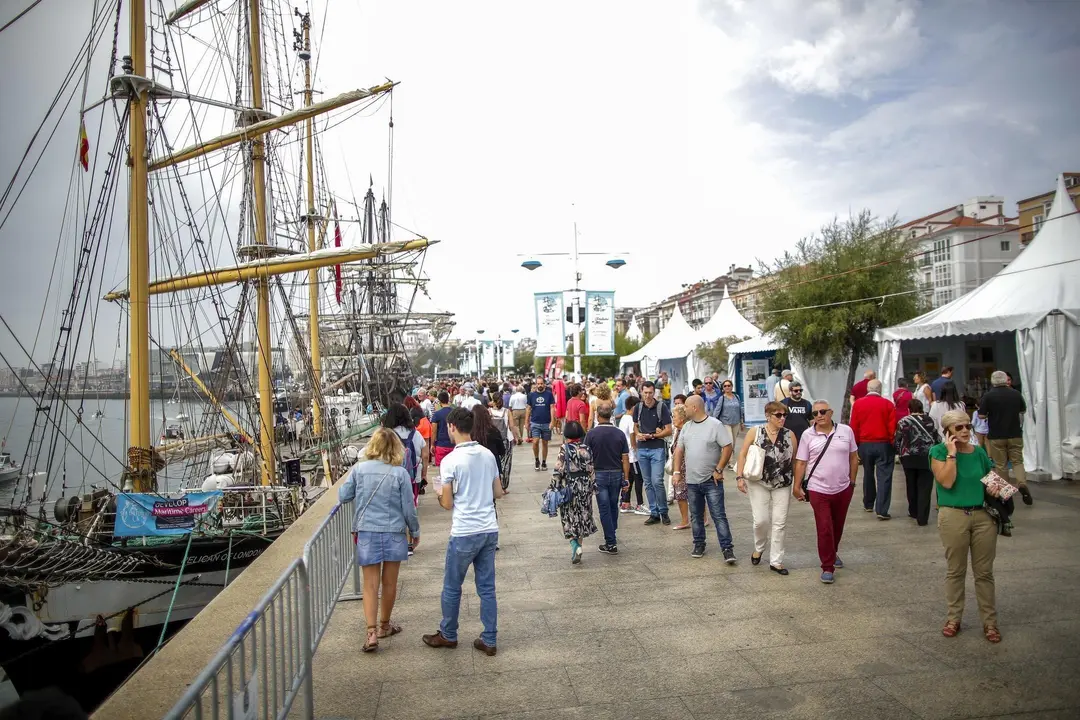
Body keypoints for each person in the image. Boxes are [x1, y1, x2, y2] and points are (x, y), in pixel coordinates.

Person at [424, 408, 504, 656]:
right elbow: (498, 492)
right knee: (487, 588)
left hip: (464, 531)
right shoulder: (487, 455)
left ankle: (448, 634)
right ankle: (489, 638)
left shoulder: (450, 461)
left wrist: (440, 495)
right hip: (488, 528)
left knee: (452, 586)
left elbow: (447, 503)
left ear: (451, 427)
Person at [339, 427, 420, 652]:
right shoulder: (400, 473)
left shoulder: (359, 469)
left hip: (367, 531)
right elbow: (408, 508)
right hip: (394, 531)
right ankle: (385, 625)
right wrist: (414, 531)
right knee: (390, 583)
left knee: (370, 585)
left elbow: (344, 496)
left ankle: (371, 632)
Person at [930, 409, 1001, 643]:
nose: (964, 431)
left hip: (983, 517)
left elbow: (993, 480)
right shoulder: (938, 451)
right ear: (947, 430)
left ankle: (990, 623)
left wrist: (996, 488)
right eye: (958, 427)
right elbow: (947, 482)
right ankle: (953, 618)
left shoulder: (979, 452)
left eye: (968, 426)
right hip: (953, 515)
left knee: (984, 573)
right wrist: (951, 454)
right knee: (956, 570)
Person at [793, 400, 859, 584]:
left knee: (837, 526)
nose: (819, 416)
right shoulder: (807, 435)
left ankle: (833, 551)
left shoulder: (846, 431)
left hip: (843, 488)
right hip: (818, 489)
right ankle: (827, 566)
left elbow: (854, 458)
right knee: (824, 527)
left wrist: (852, 483)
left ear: (831, 412)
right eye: (814, 414)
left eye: (822, 412)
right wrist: (796, 486)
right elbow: (801, 462)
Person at [736, 401, 796, 575]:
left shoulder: (790, 434)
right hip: (758, 482)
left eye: (785, 415)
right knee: (761, 520)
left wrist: (798, 483)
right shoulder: (756, 432)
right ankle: (759, 547)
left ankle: (776, 561)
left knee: (780, 523)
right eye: (778, 415)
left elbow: (795, 460)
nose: (782, 418)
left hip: (782, 483)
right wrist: (740, 477)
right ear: (768, 416)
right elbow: (743, 453)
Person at [672, 395, 735, 562]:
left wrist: (719, 469)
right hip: (692, 481)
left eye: (686, 406)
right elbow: (679, 450)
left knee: (718, 515)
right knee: (696, 516)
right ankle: (699, 544)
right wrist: (677, 472)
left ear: (695, 408)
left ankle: (727, 548)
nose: (683, 409)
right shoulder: (686, 427)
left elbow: (727, 447)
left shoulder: (715, 425)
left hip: (711, 480)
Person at [980, 370, 1032, 505]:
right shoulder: (1015, 393)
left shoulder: (988, 396)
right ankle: (1022, 484)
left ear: (993, 381)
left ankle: (1005, 493)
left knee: (1000, 465)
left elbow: (981, 415)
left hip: (996, 435)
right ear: (1006, 380)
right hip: (1015, 433)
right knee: (1017, 461)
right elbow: (1023, 410)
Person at [584, 404, 629, 554]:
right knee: (612, 505)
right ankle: (612, 531)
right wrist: (626, 478)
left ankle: (611, 541)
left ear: (597, 416)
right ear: (611, 415)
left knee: (604, 508)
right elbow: (625, 458)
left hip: (599, 474)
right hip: (616, 473)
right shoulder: (620, 434)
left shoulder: (591, 434)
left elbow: (586, 458)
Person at [850, 379, 897, 519]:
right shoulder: (888, 404)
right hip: (883, 443)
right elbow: (892, 427)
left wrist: (855, 445)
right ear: (880, 389)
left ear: (867, 389)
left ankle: (868, 503)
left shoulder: (858, 404)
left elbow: (854, 425)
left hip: (865, 444)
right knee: (884, 477)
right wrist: (892, 442)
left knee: (868, 474)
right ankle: (882, 509)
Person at [550, 421, 597, 563]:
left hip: (570, 486)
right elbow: (591, 469)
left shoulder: (564, 448)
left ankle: (574, 544)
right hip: (585, 486)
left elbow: (559, 468)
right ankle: (579, 547)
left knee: (569, 517)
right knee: (582, 516)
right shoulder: (587, 448)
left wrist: (553, 486)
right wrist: (593, 486)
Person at [633, 381, 674, 526]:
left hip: (657, 447)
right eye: (645, 393)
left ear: (654, 393)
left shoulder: (661, 407)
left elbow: (669, 430)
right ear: (641, 392)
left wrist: (654, 436)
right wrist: (639, 434)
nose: (648, 395)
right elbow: (635, 427)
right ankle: (654, 512)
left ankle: (663, 511)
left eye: (650, 393)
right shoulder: (637, 407)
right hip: (642, 448)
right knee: (648, 482)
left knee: (657, 481)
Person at [894, 398, 940, 526]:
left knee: (911, 484)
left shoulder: (903, 421)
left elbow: (898, 440)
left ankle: (913, 511)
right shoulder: (930, 420)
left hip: (909, 457)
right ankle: (922, 517)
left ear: (909, 409)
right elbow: (937, 438)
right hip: (927, 457)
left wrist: (899, 453)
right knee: (925, 487)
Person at [383, 403, 427, 507]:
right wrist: (424, 474)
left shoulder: (387, 434)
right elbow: (425, 455)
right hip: (414, 476)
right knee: (411, 504)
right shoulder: (415, 433)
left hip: (392, 476)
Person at [619, 395, 646, 514]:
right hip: (632, 456)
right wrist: (636, 449)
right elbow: (632, 435)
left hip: (626, 455)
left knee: (629, 479)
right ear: (633, 407)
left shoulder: (623, 418)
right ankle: (640, 504)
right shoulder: (630, 419)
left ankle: (625, 502)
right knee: (639, 479)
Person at [526, 376, 556, 471]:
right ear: (536, 384)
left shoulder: (549, 394)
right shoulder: (531, 395)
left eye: (541, 383)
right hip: (535, 422)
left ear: (544, 384)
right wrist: (527, 422)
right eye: (538, 383)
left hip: (546, 422)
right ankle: (536, 460)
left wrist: (553, 421)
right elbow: (528, 408)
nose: (540, 385)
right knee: (535, 442)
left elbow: (552, 408)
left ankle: (543, 462)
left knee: (545, 442)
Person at [669, 405, 692, 529]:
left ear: (682, 418)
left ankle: (685, 521)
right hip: (681, 467)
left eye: (675, 417)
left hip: (685, 468)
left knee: (682, 494)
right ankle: (699, 519)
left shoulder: (685, 431)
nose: (673, 419)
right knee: (686, 494)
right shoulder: (678, 430)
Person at [714, 379, 744, 469]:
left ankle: (726, 459)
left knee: (734, 443)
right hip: (725, 423)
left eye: (729, 385)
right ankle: (731, 462)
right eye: (725, 386)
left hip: (736, 422)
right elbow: (717, 410)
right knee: (729, 442)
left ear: (732, 387)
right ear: (723, 388)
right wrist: (713, 422)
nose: (727, 387)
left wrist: (742, 422)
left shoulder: (737, 397)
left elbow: (740, 410)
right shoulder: (722, 398)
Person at [431, 391, 456, 467]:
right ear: (448, 399)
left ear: (439, 401)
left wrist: (432, 444)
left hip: (441, 445)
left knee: (441, 469)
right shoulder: (454, 413)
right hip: (453, 444)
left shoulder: (437, 414)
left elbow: (434, 432)